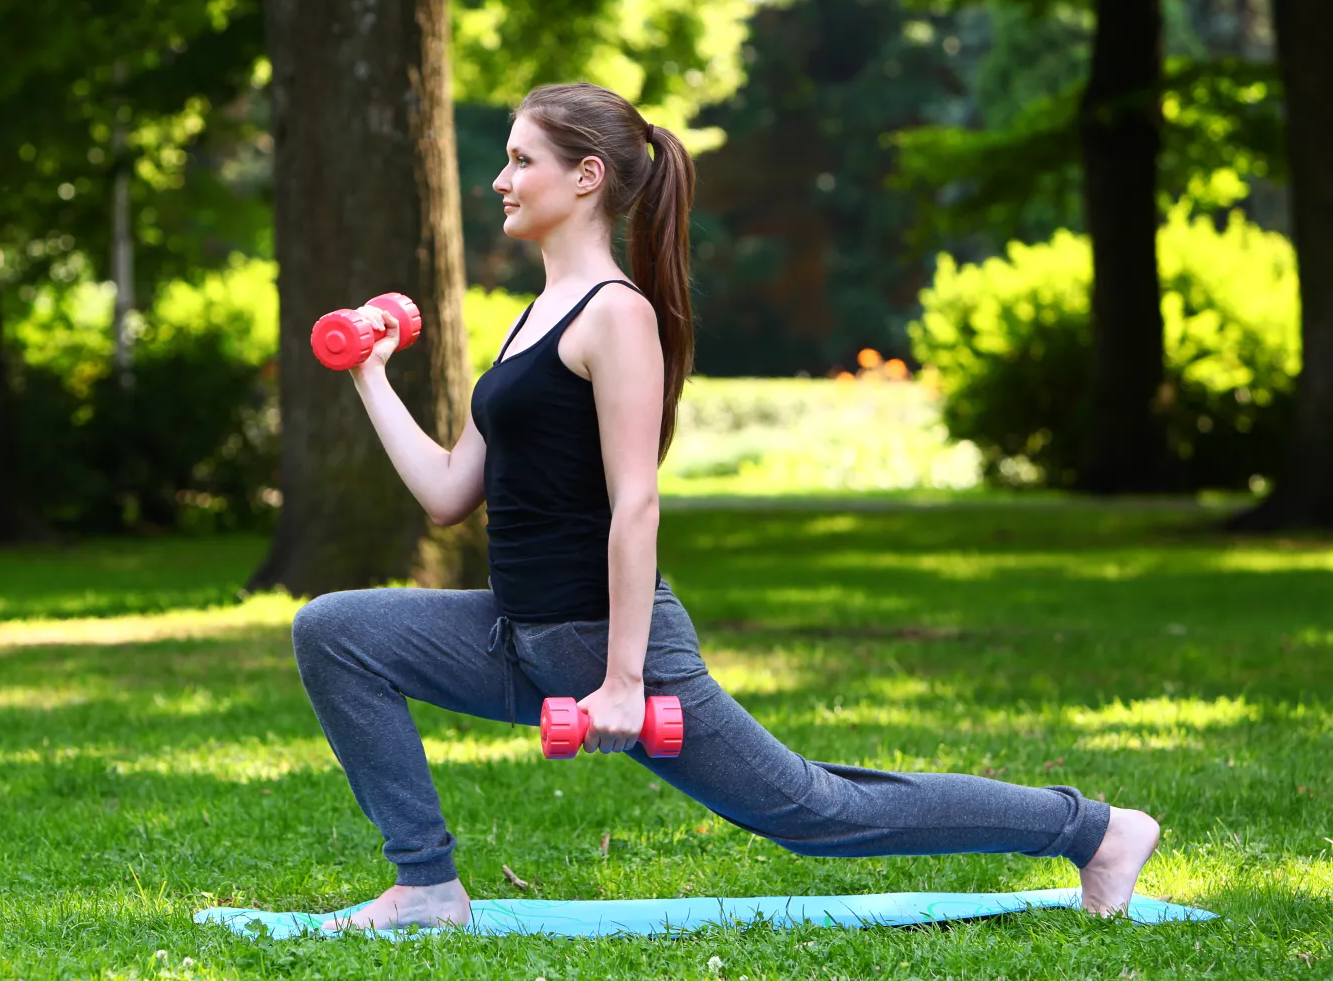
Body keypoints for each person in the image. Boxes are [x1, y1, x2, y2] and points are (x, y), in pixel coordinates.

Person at [290, 82, 1160, 932]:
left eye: (521, 160)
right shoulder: (534, 317)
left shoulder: (615, 316)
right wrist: (371, 374)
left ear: (586, 176)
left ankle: (1096, 830)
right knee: (334, 629)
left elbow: (637, 502)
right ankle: (427, 885)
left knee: (814, 810)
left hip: (604, 640)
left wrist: (625, 681)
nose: (501, 180)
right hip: (516, 635)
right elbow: (448, 492)